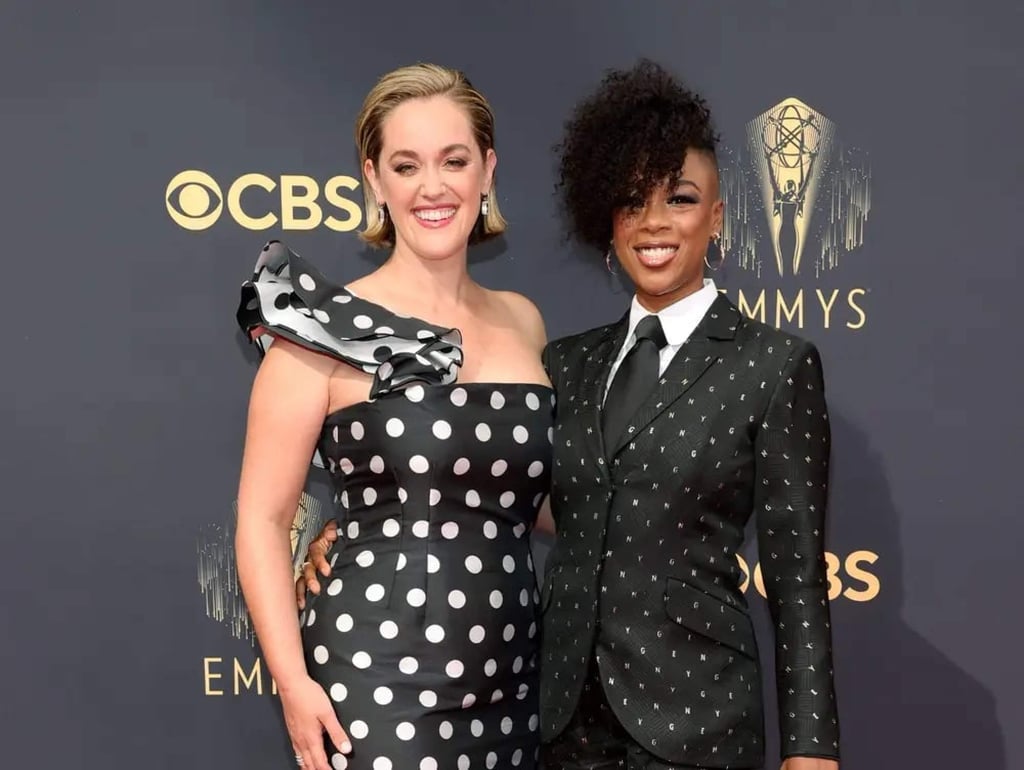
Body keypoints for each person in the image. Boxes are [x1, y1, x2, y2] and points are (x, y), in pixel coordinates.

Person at [300, 59, 840, 770]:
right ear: (605, 221)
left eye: (680, 199)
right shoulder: (568, 363)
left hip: (699, 720)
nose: (654, 222)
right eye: (631, 201)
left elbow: (798, 579)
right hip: (557, 718)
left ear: (716, 216)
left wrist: (811, 750)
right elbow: (510, 484)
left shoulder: (772, 364)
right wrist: (371, 520)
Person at [234, 63, 554, 770]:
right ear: (374, 180)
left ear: (488, 170)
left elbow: (537, 500)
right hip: (376, 675)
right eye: (407, 166)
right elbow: (262, 519)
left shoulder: (525, 322)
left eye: (454, 161)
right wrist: (292, 683)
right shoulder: (320, 329)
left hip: (515, 674)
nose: (432, 187)